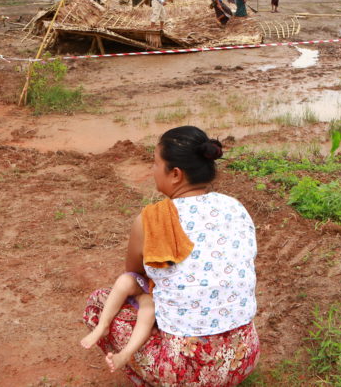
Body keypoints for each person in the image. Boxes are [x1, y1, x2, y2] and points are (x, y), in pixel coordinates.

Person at [81, 126, 259, 385]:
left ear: (175, 174)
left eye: (155, 163)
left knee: (99, 303)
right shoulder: (235, 206)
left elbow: (134, 274)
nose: (152, 170)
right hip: (243, 356)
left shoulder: (152, 219)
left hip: (185, 370)